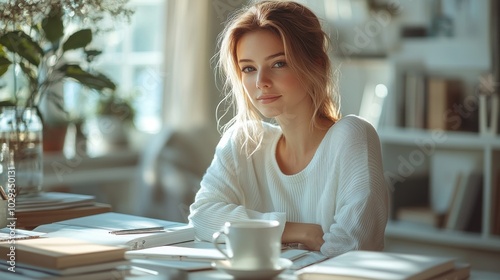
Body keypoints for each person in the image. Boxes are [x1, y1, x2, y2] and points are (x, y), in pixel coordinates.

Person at [188, 0, 389, 258]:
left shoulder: (352, 136)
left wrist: (258, 238)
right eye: (248, 68)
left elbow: (349, 252)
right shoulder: (244, 141)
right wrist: (298, 231)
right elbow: (201, 218)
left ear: (316, 64)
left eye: (278, 63)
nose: (261, 82)